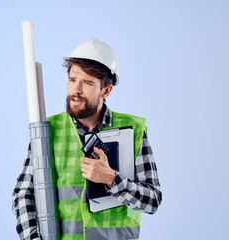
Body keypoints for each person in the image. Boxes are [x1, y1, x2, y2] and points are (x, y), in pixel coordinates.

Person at [12, 38, 162, 240]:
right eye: (72, 79)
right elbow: (23, 195)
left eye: (87, 82)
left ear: (106, 90)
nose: (76, 90)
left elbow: (152, 200)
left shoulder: (133, 130)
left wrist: (112, 179)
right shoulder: (47, 131)